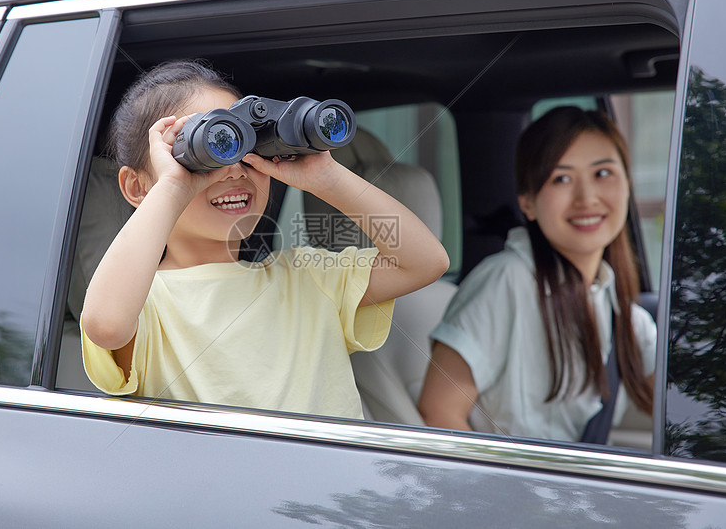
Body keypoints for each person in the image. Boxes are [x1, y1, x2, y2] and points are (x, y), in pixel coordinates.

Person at [80, 60, 449, 419]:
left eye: (247, 145)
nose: (233, 169)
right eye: (207, 148)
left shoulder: (308, 277)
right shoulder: (145, 304)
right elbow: (106, 327)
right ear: (137, 186)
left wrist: (328, 177)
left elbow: (425, 262)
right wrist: (174, 184)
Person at [417, 106, 655, 442]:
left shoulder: (620, 309)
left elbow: (684, 408)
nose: (587, 197)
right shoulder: (505, 280)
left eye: (602, 174)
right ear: (527, 202)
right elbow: (439, 411)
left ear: (627, 185)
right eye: (561, 178)